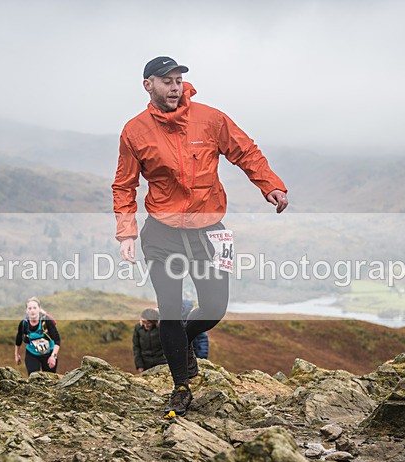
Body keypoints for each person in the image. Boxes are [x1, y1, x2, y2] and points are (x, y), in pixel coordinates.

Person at [112, 57, 289, 416]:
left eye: (178, 80)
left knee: (213, 308)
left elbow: (246, 152)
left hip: (209, 231)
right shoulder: (134, 131)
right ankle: (180, 387)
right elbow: (124, 185)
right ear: (148, 85)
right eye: (167, 81)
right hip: (162, 234)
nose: (175, 86)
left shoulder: (210, 119)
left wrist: (269, 185)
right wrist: (126, 233)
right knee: (170, 311)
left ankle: (187, 340)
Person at [14, 297, 61, 376]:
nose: (32, 310)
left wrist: (53, 356)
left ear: (39, 309)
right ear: (26, 311)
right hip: (32, 354)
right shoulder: (23, 324)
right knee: (34, 378)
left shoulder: (46, 321)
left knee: (50, 380)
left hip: (49, 354)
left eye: (35, 308)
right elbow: (18, 340)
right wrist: (16, 355)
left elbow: (57, 340)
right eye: (30, 308)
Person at [133, 307, 166, 372]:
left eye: (148, 323)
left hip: (161, 361)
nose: (145, 325)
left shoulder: (161, 328)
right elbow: (136, 347)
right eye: (143, 322)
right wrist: (139, 365)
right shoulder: (137, 328)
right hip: (145, 363)